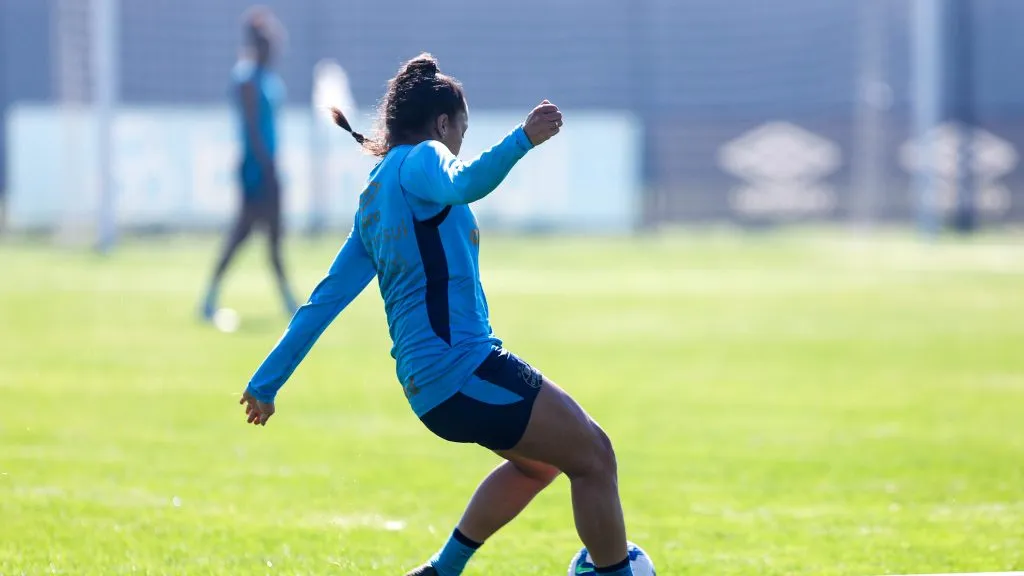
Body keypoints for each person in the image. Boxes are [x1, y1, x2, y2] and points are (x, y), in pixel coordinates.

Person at [238, 53, 635, 576]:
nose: (459, 144)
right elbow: (464, 182)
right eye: (461, 131)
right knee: (595, 456)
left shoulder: (374, 193)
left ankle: (442, 570)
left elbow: (324, 300)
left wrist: (266, 382)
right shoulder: (424, 158)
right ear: (442, 123)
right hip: (463, 368)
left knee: (539, 465)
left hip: (429, 387)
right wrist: (523, 139)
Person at [201, 6, 299, 323]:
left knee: (270, 237)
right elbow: (254, 129)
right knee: (245, 233)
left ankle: (288, 300)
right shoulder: (246, 79)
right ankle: (210, 298)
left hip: (269, 166)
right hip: (257, 170)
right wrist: (267, 167)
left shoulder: (268, 79)